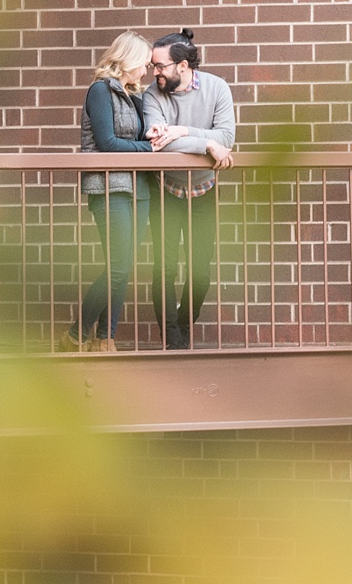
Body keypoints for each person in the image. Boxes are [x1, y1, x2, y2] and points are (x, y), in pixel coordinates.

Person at [62, 31, 156, 353]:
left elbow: (143, 136)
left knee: (124, 266)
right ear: (127, 60)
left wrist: (155, 135)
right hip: (108, 188)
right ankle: (77, 334)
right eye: (143, 63)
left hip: (138, 188)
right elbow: (108, 144)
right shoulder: (100, 91)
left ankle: (106, 338)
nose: (146, 70)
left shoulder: (135, 96)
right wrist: (149, 148)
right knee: (117, 265)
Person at [142, 29, 235, 349]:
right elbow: (159, 144)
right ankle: (172, 341)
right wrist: (206, 141)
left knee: (200, 268)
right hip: (166, 190)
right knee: (164, 266)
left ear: (182, 66)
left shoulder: (217, 88)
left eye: (160, 66)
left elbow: (227, 139)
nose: (154, 73)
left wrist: (181, 131)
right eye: (153, 67)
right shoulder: (153, 95)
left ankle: (182, 325)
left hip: (204, 190)